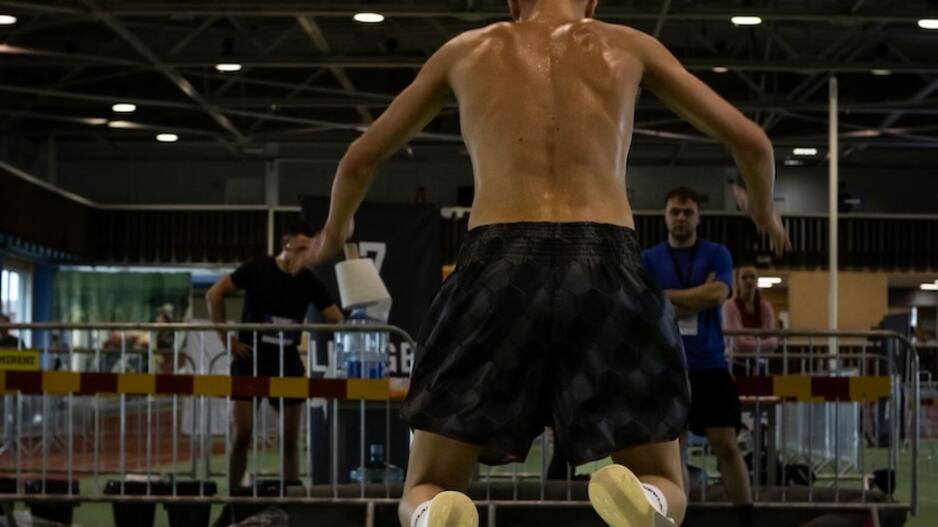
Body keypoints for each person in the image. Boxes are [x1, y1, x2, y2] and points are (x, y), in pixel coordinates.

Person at [294, 1, 789, 526]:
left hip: (496, 263)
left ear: (513, 2)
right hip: (606, 264)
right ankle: (650, 502)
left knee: (427, 480)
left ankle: (434, 511)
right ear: (592, 1)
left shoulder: (465, 52)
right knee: (661, 474)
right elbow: (754, 144)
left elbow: (359, 159)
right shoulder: (629, 46)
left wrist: (335, 231)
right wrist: (761, 209)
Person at [640, 187, 754, 527]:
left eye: (688, 212)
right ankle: (679, 521)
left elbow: (718, 294)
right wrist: (696, 296)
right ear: (665, 217)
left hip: (710, 366)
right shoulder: (649, 259)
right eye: (675, 212)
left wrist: (665, 295)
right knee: (674, 452)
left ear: (698, 217)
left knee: (727, 446)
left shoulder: (717, 253)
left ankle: (747, 520)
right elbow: (644, 303)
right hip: (666, 368)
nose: (681, 218)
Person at [206, 220, 344, 490]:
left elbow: (336, 317)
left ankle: (289, 499)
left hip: (287, 362)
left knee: (290, 439)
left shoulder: (309, 280)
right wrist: (227, 341)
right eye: (300, 248)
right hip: (249, 359)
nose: (305, 255)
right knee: (241, 435)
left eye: (310, 250)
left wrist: (356, 318)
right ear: (285, 244)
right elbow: (214, 294)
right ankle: (234, 498)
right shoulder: (257, 268)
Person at [722, 264, 779, 374]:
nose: (749, 281)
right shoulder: (729, 306)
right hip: (735, 364)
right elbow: (739, 344)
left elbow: (773, 343)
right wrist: (762, 342)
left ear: (757, 281)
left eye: (752, 277)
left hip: (760, 365)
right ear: (738, 282)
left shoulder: (766, 307)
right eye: (744, 277)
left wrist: (747, 339)